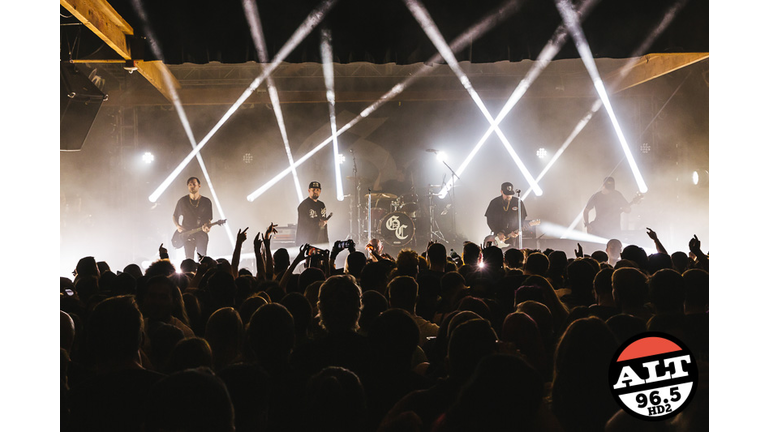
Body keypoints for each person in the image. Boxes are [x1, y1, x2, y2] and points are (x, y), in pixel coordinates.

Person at [173, 177, 214, 259]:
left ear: (199, 185)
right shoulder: (183, 201)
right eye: (190, 185)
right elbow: (175, 215)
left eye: (194, 184)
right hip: (187, 234)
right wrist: (178, 226)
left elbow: (209, 219)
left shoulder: (206, 201)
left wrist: (207, 227)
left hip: (201, 233)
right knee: (189, 259)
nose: (192, 186)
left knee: (202, 258)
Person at [484, 182, 528, 248]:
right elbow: (490, 220)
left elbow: (522, 218)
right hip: (498, 236)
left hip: (513, 236)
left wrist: (517, 230)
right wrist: (498, 232)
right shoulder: (494, 202)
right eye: (506, 194)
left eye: (510, 194)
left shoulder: (518, 202)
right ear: (501, 192)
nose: (509, 196)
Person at [296, 181, 330, 246]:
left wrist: (326, 241)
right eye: (313, 190)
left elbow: (324, 225)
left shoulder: (321, 205)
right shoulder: (304, 205)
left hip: (321, 241)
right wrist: (318, 223)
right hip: (308, 241)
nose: (315, 192)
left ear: (320, 191)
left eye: (317, 190)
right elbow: (303, 224)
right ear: (309, 190)